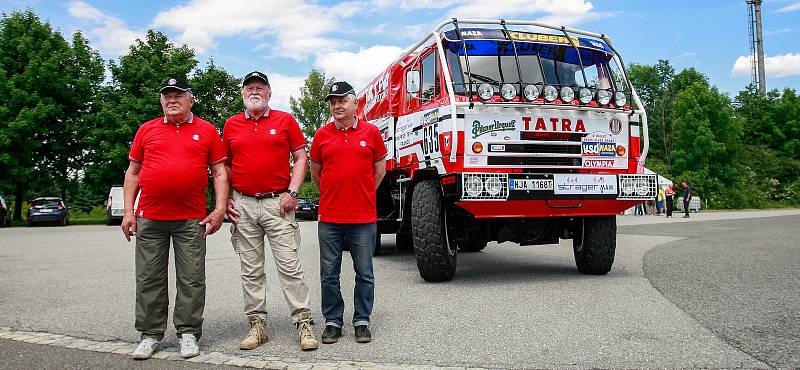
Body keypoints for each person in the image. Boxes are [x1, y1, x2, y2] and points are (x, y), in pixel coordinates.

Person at [121, 77, 228, 360]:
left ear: (190, 100)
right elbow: (133, 173)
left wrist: (218, 210)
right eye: (166, 96)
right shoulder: (147, 130)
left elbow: (219, 173)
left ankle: (188, 332)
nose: (171, 100)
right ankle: (150, 334)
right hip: (150, 218)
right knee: (148, 278)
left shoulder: (206, 131)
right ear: (161, 101)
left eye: (177, 95)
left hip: (191, 219)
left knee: (191, 279)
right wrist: (129, 212)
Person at [223, 71, 319, 351]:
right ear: (243, 93)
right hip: (244, 204)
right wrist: (227, 197)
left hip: (278, 203)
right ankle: (257, 326)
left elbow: (301, 156)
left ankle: (303, 322)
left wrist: (292, 192)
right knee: (250, 271)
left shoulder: (285, 120)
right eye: (250, 87)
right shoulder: (231, 125)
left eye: (260, 88)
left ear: (269, 93)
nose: (255, 91)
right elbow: (224, 166)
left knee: (290, 267)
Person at [309, 81, 387, 344]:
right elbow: (316, 174)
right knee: (329, 273)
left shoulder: (372, 132)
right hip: (330, 218)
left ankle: (362, 320)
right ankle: (333, 321)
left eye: (342, 100)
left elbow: (380, 171)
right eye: (333, 101)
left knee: (364, 273)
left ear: (355, 103)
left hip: (363, 219)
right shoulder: (321, 135)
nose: (337, 105)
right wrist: (334, 194)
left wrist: (363, 192)